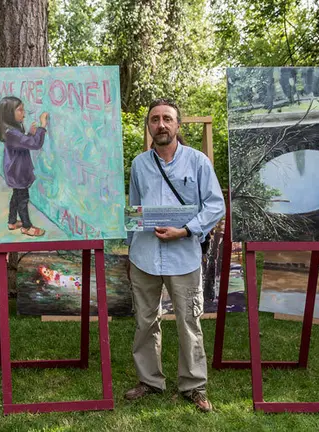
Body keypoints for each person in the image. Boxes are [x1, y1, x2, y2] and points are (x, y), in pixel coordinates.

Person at [124, 99, 225, 412]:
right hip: (144, 255)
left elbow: (215, 204)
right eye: (155, 119)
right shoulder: (140, 164)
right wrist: (130, 250)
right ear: (149, 127)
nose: (161, 125)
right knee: (144, 320)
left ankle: (194, 386)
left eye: (167, 118)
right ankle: (149, 380)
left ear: (178, 125)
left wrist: (184, 230)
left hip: (182, 255)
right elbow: (134, 208)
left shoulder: (197, 162)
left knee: (189, 321)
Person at [0, 96, 49, 237]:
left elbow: (23, 142)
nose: (23, 113)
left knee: (16, 196)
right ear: (8, 113)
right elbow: (35, 144)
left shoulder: (11, 131)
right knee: (23, 199)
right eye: (20, 110)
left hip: (15, 170)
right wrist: (42, 126)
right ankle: (26, 226)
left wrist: (29, 134)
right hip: (18, 172)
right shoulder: (12, 133)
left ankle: (12, 222)